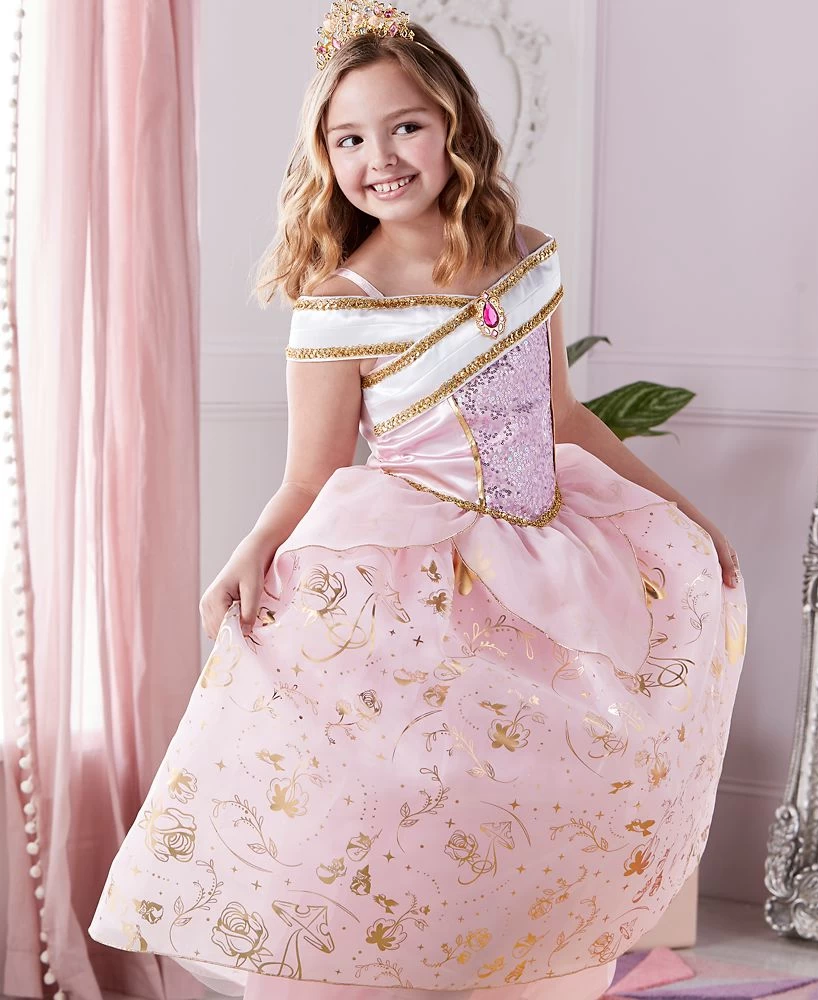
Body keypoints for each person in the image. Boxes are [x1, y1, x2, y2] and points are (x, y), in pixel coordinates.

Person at [87, 3, 748, 998]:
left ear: (452, 126)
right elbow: (309, 474)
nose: (380, 158)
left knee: (541, 788)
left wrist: (684, 513)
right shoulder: (339, 303)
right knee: (414, 800)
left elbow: (565, 414)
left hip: (553, 553)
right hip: (423, 580)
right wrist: (250, 553)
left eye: (404, 127)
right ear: (324, 156)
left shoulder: (526, 255)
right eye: (348, 139)